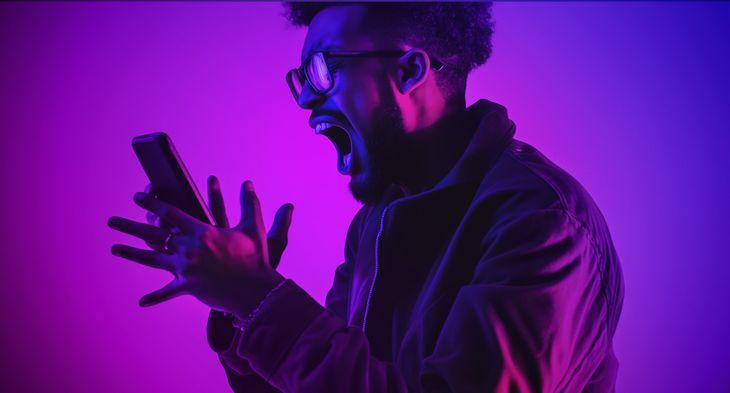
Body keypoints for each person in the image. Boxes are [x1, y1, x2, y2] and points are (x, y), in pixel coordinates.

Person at [108, 2, 624, 392]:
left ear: (409, 71)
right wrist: (239, 305)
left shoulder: (542, 222)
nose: (307, 97)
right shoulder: (375, 224)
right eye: (299, 79)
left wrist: (259, 298)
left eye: (321, 70)